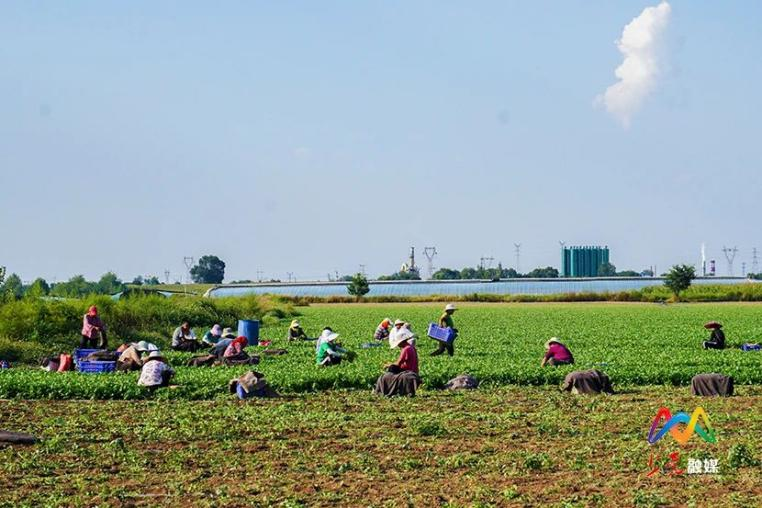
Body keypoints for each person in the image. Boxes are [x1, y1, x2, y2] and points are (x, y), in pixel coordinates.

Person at [374, 329, 422, 397]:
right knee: (392, 368)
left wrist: (388, 365)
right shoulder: (411, 347)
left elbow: (398, 363)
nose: (398, 345)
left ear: (402, 342)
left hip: (408, 370)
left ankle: (384, 390)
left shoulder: (406, 349)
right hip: (413, 370)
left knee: (390, 370)